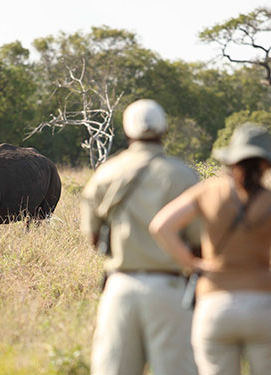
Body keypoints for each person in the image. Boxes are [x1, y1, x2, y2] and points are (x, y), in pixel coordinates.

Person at [150, 123, 271, 375]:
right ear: (265, 165)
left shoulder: (207, 191)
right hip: (264, 305)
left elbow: (161, 226)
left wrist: (192, 263)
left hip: (215, 306)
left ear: (231, 160)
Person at [81, 99, 201, 375]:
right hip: (171, 290)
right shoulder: (184, 176)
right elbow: (198, 243)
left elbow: (94, 237)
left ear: (127, 130)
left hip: (120, 287)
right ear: (165, 130)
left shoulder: (106, 173)